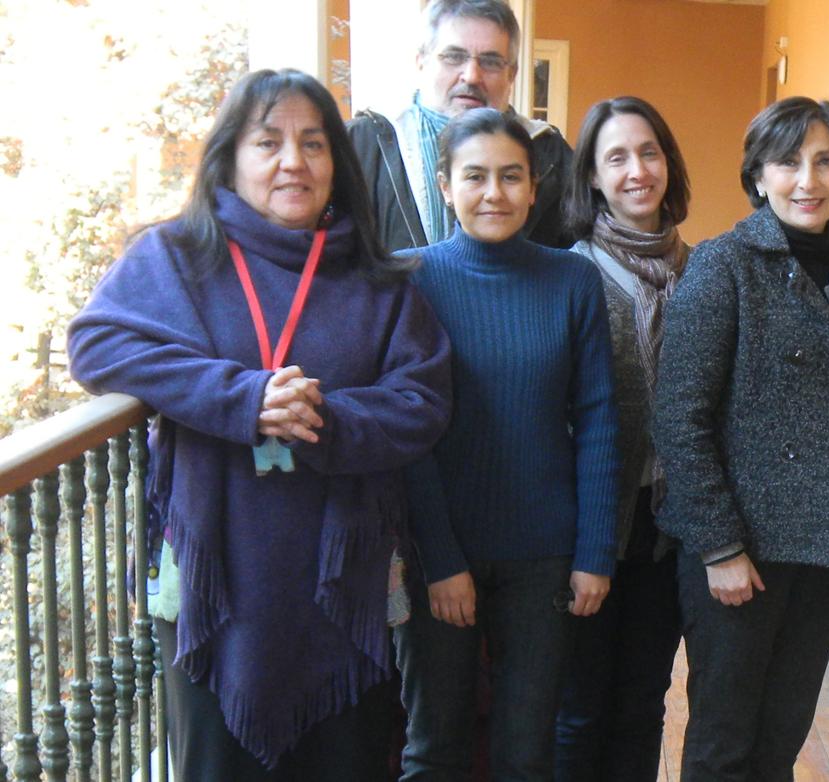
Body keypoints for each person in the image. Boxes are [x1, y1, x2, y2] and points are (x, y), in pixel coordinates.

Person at [66, 69, 453, 781]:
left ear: (337, 163)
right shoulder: (177, 255)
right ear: (230, 157)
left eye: (312, 143)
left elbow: (421, 400)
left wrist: (325, 419)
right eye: (267, 141)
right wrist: (240, 399)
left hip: (345, 587)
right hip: (216, 583)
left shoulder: (376, 277)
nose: (292, 161)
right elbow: (98, 345)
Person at [652, 96, 829, 780]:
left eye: (825, 162)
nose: (806, 180)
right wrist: (720, 546)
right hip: (736, 553)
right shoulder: (723, 265)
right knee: (723, 744)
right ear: (758, 175)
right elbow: (679, 416)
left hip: (821, 552)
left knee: (780, 738)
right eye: (787, 162)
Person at [394, 107, 620, 782]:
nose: (493, 193)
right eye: (475, 176)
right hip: (441, 550)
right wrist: (439, 562)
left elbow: (600, 419)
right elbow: (409, 435)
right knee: (434, 748)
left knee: (527, 753)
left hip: (544, 558)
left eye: (510, 176)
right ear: (444, 186)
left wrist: (593, 552)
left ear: (534, 184)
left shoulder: (572, 280)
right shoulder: (409, 280)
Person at [552, 96, 691, 781]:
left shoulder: (705, 272)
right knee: (578, 708)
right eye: (617, 158)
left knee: (644, 703)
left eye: (648, 152)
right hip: (588, 527)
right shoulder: (566, 273)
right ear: (595, 178)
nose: (637, 170)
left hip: (671, 532)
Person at [347, 0, 573, 252]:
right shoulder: (362, 143)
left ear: (512, 73)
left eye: (490, 61)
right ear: (421, 60)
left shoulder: (551, 154)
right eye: (454, 57)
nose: (472, 75)